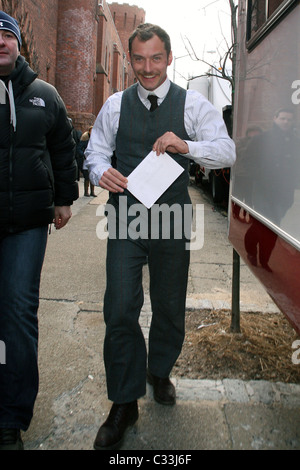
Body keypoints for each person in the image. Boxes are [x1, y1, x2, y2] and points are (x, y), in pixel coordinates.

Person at [85, 23, 236, 450]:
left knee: (169, 305)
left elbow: (226, 149)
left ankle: (159, 370)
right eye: (138, 59)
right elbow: (94, 150)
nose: (147, 68)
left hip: (171, 220)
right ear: (130, 60)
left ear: (169, 58)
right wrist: (100, 171)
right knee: (119, 307)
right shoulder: (114, 106)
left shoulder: (193, 106)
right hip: (127, 220)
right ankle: (123, 400)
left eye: (155, 58)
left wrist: (186, 146)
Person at [0, 11, 78, 450]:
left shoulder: (45, 95)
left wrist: (64, 199)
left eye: (6, 35)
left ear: (18, 43)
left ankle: (10, 418)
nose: (0, 42)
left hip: (28, 223)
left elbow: (63, 149)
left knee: (16, 315)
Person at [78, 126, 96, 196]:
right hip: (86, 160)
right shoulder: (85, 139)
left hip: (93, 160)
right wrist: (84, 155)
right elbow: (79, 148)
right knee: (87, 177)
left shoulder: (95, 140)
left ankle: (92, 192)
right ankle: (86, 192)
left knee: (92, 176)